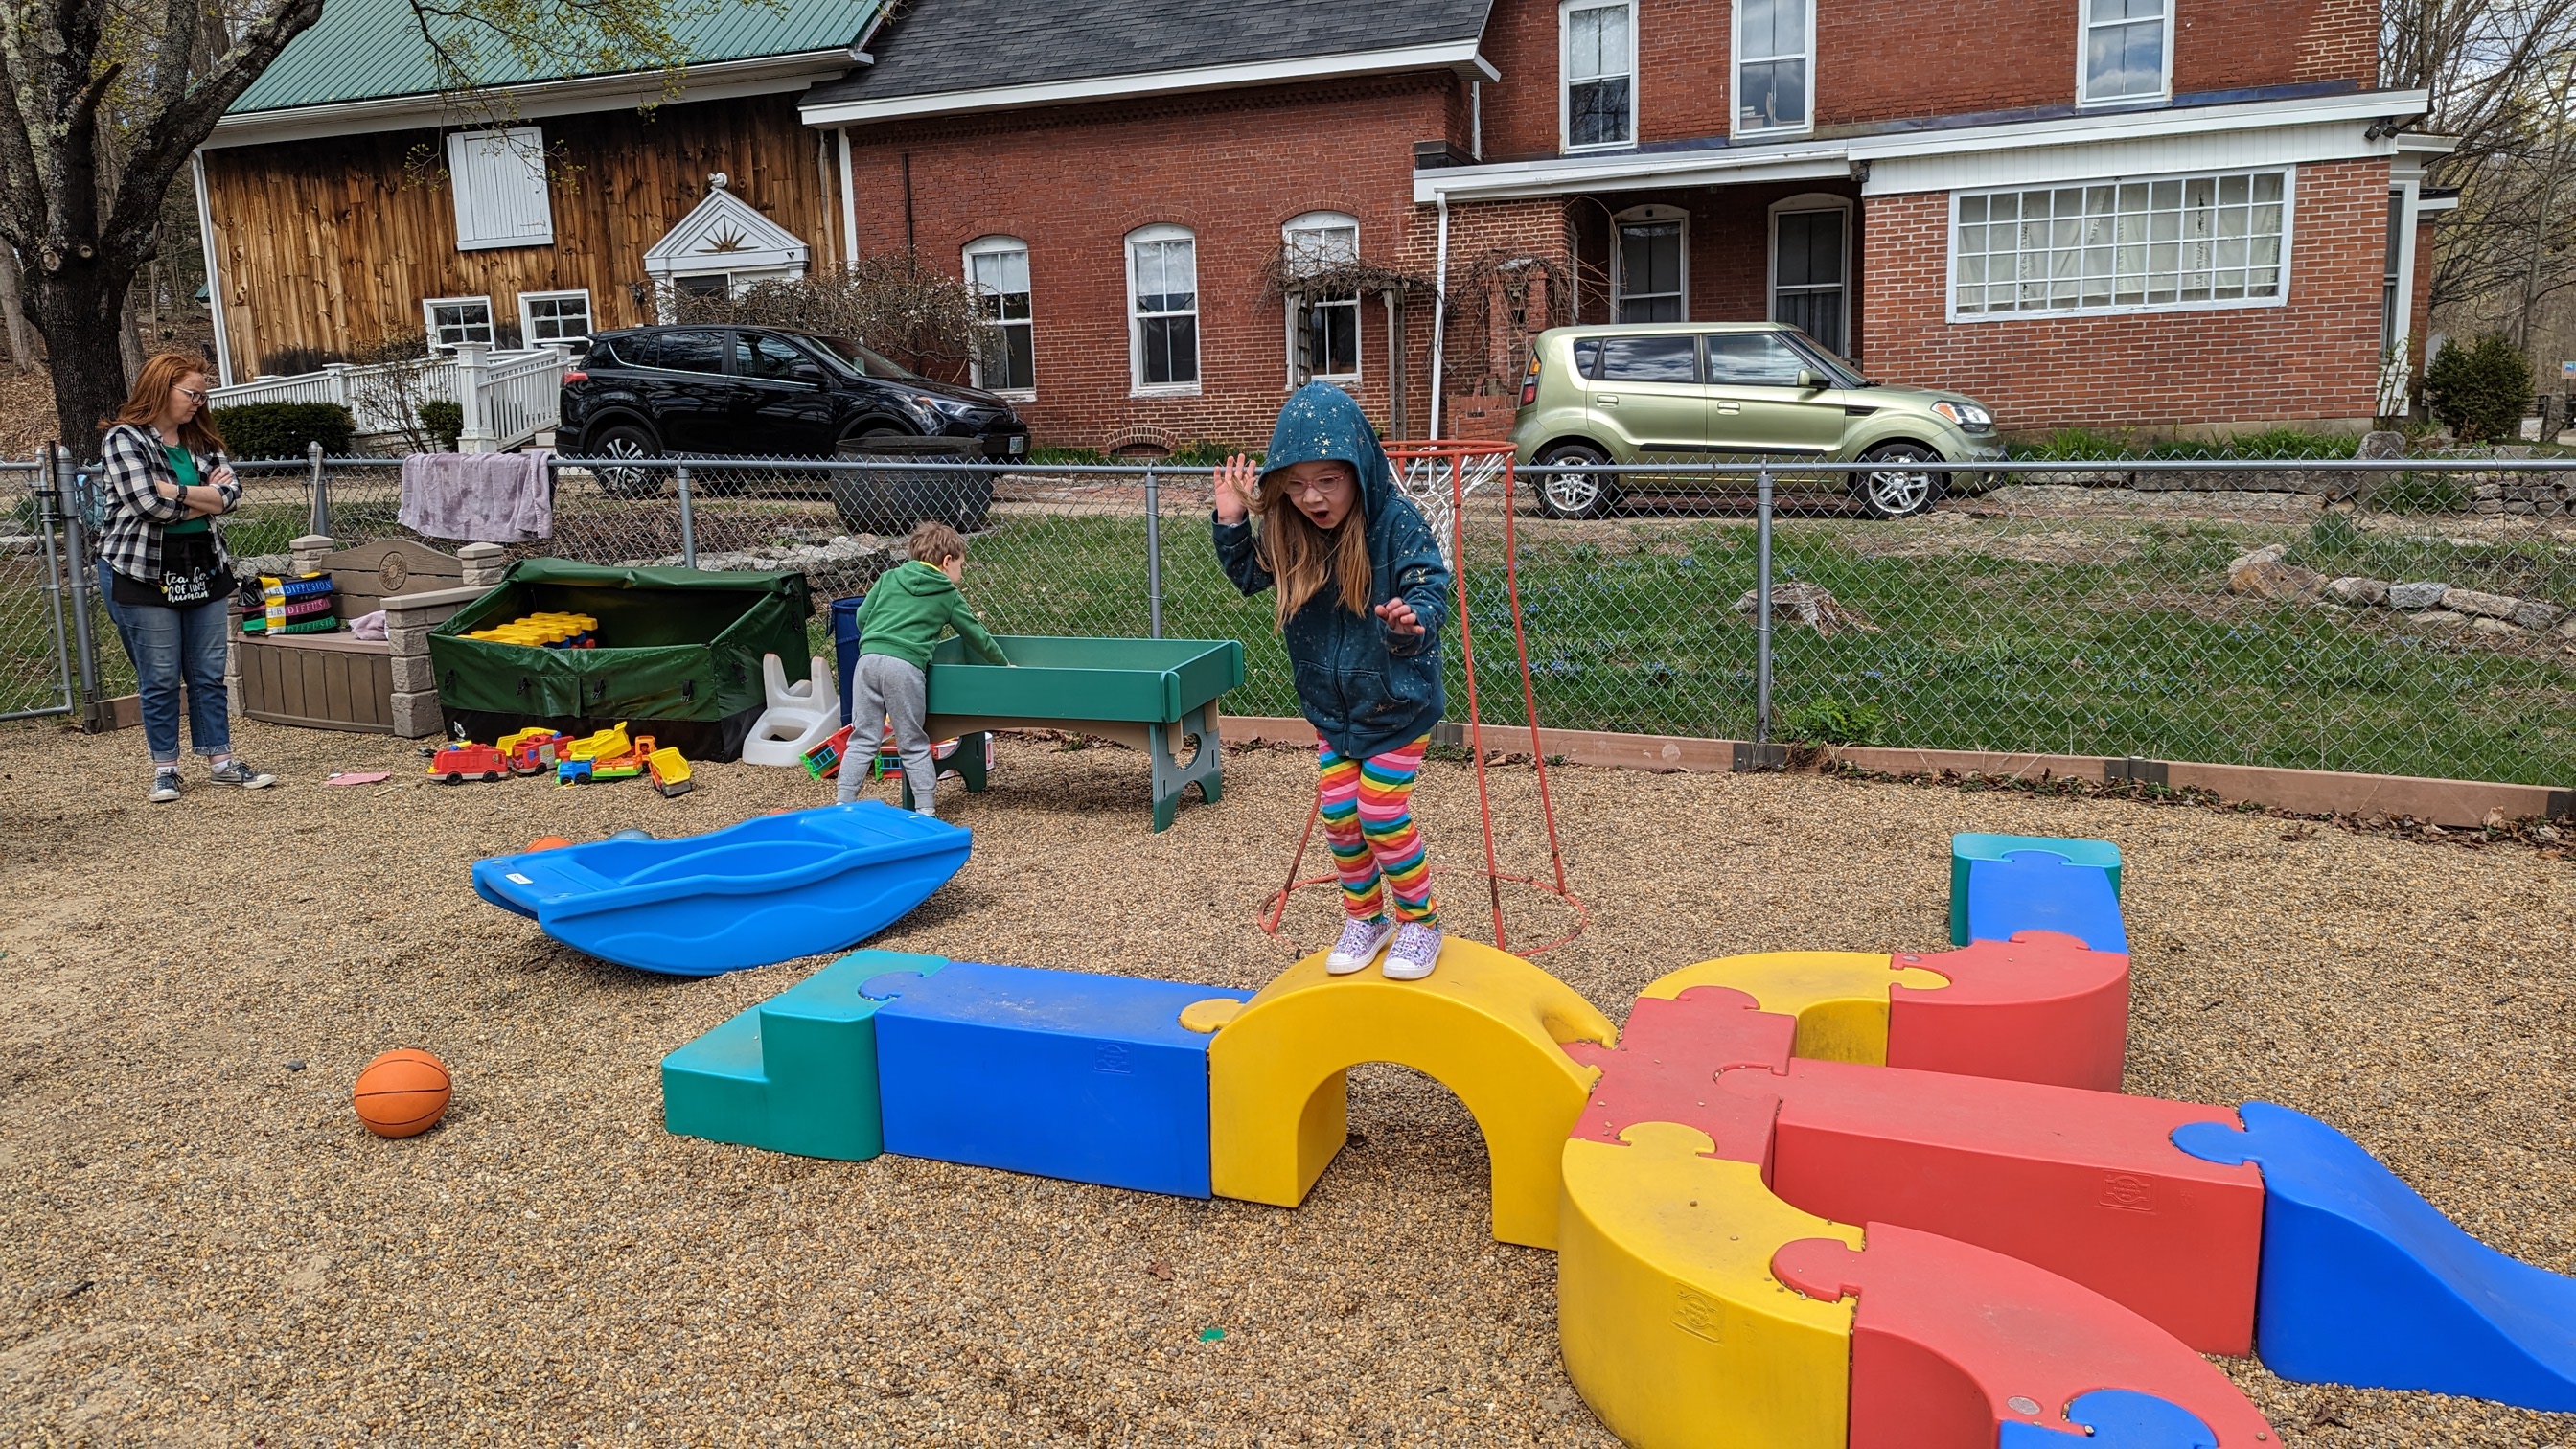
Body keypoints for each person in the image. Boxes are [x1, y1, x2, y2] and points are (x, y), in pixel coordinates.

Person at [1214, 382, 1453, 980]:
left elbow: (1430, 586)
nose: (1312, 497)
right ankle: (1367, 920)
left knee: (1380, 813)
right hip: (1333, 711)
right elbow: (1248, 577)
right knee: (1340, 816)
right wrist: (1232, 520)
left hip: (1397, 704)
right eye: (1296, 484)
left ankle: (1421, 924)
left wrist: (1411, 621)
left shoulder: (1395, 523)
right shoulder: (1293, 529)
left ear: (1359, 468)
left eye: (1328, 480)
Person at [96, 352, 274, 802]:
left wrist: (175, 490)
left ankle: (221, 762)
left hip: (204, 567)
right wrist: (204, 497)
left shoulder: (201, 441)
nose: (199, 402)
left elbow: (231, 496)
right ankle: (165, 769)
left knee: (208, 672)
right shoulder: (125, 438)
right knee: (159, 675)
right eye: (191, 393)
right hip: (142, 570)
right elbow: (146, 506)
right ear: (161, 388)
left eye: (202, 395)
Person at [839, 520, 1010, 816]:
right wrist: (1002, 663)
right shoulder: (946, 593)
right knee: (912, 741)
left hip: (867, 661)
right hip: (905, 667)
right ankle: (926, 810)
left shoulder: (889, 577)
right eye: (961, 565)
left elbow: (862, 616)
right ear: (947, 561)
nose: (961, 573)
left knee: (863, 737)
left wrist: (877, 640)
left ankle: (843, 804)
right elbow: (975, 635)